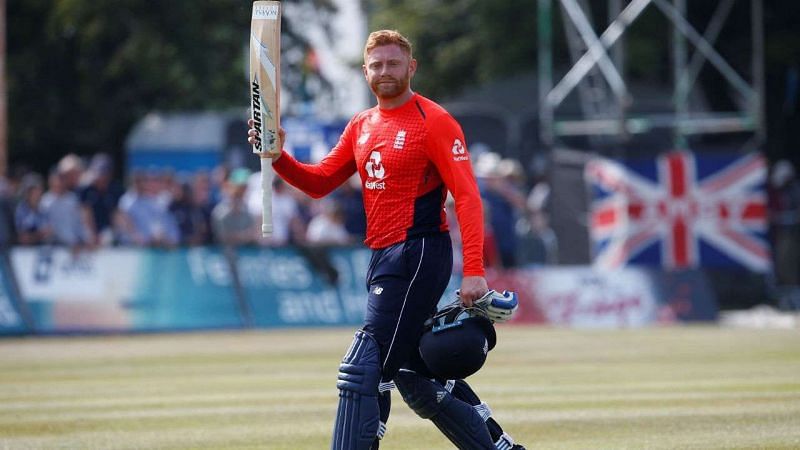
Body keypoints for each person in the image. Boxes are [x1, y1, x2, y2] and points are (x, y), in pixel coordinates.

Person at [248, 30, 523, 450]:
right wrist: (278, 156)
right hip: (383, 256)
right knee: (415, 373)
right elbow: (321, 182)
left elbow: (467, 196)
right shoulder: (361, 124)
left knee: (365, 366)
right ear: (365, 72)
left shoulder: (434, 120)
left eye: (394, 64)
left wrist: (474, 271)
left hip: (418, 252)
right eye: (376, 65)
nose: (385, 72)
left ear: (411, 67)